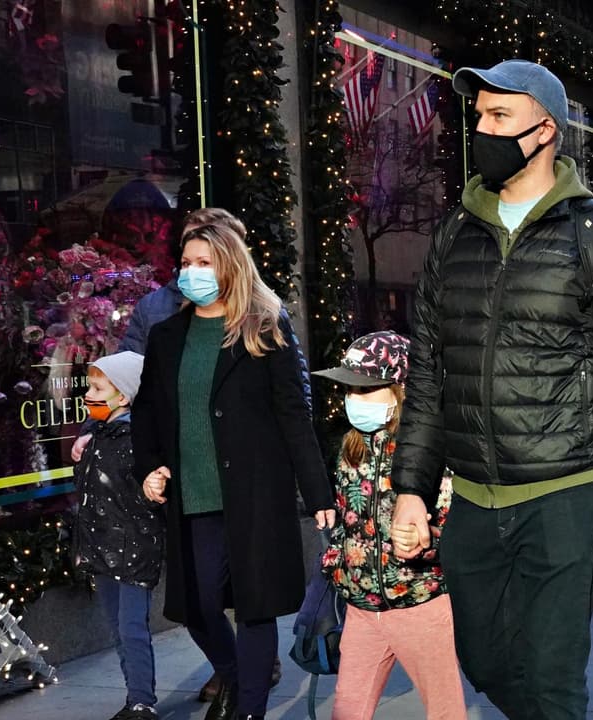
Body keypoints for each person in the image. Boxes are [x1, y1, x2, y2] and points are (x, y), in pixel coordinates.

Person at [390, 59, 593, 720]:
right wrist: (410, 488)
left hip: (566, 495)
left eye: (498, 116)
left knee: (551, 676)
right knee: (483, 659)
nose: (481, 130)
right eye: (479, 116)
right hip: (474, 497)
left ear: (545, 132)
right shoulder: (453, 234)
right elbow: (428, 373)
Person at [133, 222, 336, 720]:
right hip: (193, 495)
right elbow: (148, 413)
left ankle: (249, 710)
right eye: (186, 263)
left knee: (254, 607)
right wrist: (150, 467)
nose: (192, 272)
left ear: (229, 266)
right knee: (198, 606)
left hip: (256, 494)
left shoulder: (264, 329)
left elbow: (293, 415)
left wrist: (318, 494)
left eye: (204, 263)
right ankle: (234, 674)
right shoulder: (166, 337)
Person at [313, 331, 466, 720]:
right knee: (347, 711)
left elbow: (456, 527)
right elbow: (348, 520)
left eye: (365, 389)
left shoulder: (431, 453)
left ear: (401, 391)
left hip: (421, 604)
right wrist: (336, 562)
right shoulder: (350, 449)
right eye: (349, 389)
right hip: (362, 607)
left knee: (445, 711)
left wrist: (426, 542)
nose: (353, 399)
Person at [70, 351, 163, 720]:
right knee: (118, 629)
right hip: (102, 548)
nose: (88, 395)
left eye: (97, 389)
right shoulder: (97, 435)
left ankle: (143, 702)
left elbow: (150, 492)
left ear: (122, 396)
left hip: (134, 549)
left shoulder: (137, 438)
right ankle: (134, 697)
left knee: (131, 628)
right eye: (89, 387)